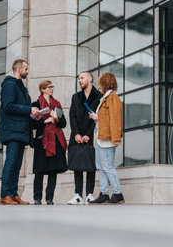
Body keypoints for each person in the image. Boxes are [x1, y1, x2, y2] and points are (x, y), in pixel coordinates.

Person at [0, 59, 39, 205]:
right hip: (12, 130)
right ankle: (5, 194)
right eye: (26, 69)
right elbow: (8, 106)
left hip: (21, 131)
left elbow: (22, 108)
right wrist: (29, 109)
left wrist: (33, 114)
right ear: (18, 69)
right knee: (10, 162)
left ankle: (13, 194)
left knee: (16, 165)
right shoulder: (9, 85)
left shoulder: (22, 87)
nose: (27, 72)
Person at [88, 72, 124, 204]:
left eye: (100, 82)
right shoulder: (105, 98)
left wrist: (98, 118)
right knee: (101, 167)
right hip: (100, 138)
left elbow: (114, 119)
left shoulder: (112, 97)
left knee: (107, 166)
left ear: (105, 82)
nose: (98, 85)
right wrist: (97, 118)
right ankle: (104, 193)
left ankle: (117, 193)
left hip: (107, 138)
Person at [31, 80, 68, 205]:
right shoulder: (36, 104)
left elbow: (63, 124)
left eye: (52, 86)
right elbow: (32, 124)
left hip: (56, 140)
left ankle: (49, 198)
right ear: (42, 89)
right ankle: (37, 198)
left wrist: (56, 118)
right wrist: (45, 122)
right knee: (40, 170)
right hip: (42, 140)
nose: (52, 88)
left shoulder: (57, 104)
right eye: (49, 87)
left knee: (53, 170)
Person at [67, 72, 102, 205]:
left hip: (91, 135)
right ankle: (77, 195)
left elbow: (97, 117)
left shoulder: (99, 96)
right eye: (78, 78)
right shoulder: (76, 97)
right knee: (77, 164)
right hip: (76, 136)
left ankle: (89, 194)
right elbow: (72, 116)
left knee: (90, 164)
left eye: (82, 78)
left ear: (90, 79)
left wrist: (88, 134)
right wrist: (76, 133)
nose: (79, 80)